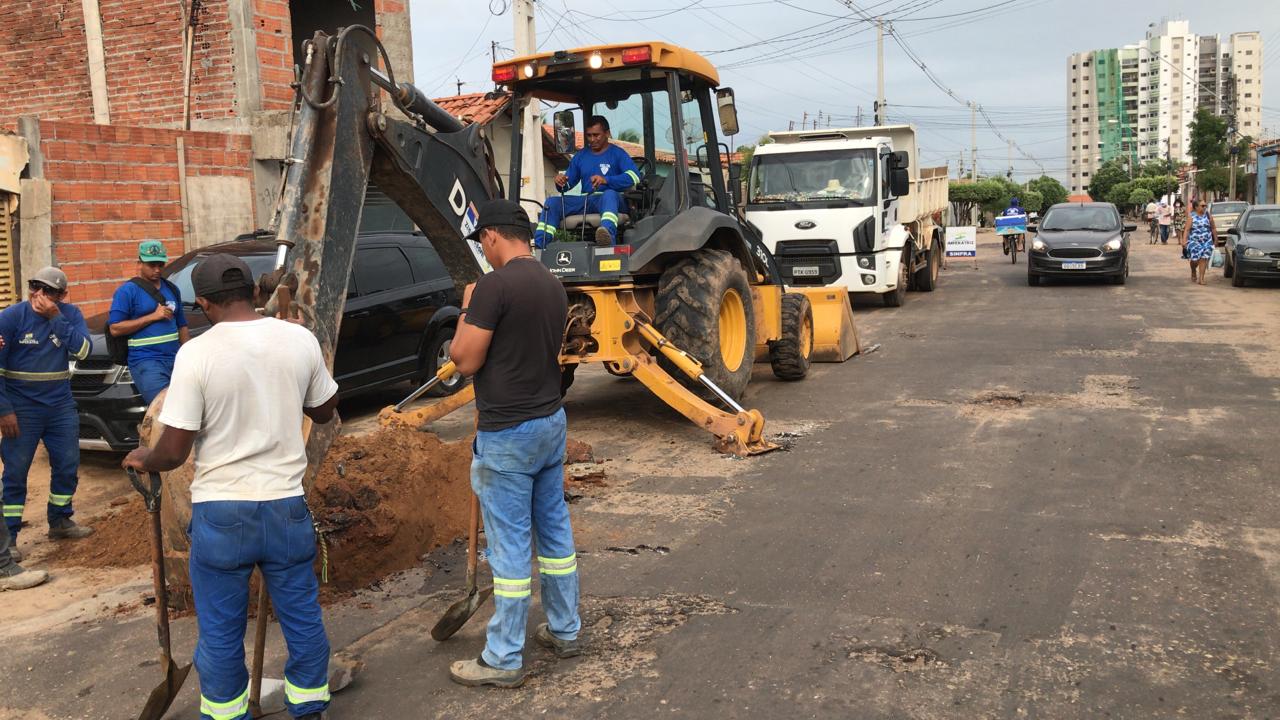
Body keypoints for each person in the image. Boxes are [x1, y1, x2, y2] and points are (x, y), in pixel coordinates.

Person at [123, 254, 339, 720]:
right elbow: (325, 412)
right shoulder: (298, 339)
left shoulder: (197, 353)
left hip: (223, 514)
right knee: (301, 617)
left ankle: (225, 714)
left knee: (221, 629)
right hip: (285, 506)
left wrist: (146, 457)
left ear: (201, 302)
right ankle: (308, 708)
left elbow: (174, 451)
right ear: (253, 293)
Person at [447, 199, 577, 688]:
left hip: (507, 435)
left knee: (510, 551)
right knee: (556, 535)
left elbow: (464, 360)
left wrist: (467, 304)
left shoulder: (492, 286)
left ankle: (502, 658)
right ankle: (566, 630)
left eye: (483, 240)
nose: (483, 248)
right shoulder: (551, 282)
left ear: (493, 236)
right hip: (550, 423)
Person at [0, 266, 95, 556]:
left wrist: (56, 318)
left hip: (60, 406)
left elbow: (84, 352)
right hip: (21, 408)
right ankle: (10, 538)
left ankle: (60, 519)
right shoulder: (11, 317)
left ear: (61, 296)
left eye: (48, 291)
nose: (39, 295)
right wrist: (4, 410)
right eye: (35, 287)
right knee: (16, 472)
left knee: (67, 464)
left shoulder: (70, 315)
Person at [533, 115, 640, 248]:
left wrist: (606, 180)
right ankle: (540, 246)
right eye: (589, 135)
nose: (592, 139)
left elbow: (634, 176)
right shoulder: (581, 156)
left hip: (613, 201)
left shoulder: (618, 153)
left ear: (607, 133)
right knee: (552, 202)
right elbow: (566, 185)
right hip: (587, 201)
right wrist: (560, 181)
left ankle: (606, 236)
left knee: (609, 194)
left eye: (596, 135)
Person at [108, 241, 190, 405]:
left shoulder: (172, 289)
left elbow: (182, 325)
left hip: (175, 360)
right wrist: (153, 316)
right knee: (163, 409)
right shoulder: (127, 291)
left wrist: (189, 355)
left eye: (161, 264)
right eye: (152, 265)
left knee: (182, 409)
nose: (157, 270)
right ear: (139, 263)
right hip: (146, 361)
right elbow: (115, 329)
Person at [1181, 198, 1218, 285]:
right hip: (1194, 241)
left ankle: (1201, 278)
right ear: (1196, 207)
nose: (1204, 207)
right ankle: (1193, 269)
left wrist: (1216, 239)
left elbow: (1213, 228)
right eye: (1202, 205)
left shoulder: (1208, 215)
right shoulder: (1191, 217)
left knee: (1203, 258)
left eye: (1205, 205)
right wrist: (1184, 241)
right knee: (1195, 260)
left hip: (1206, 241)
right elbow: (1187, 230)